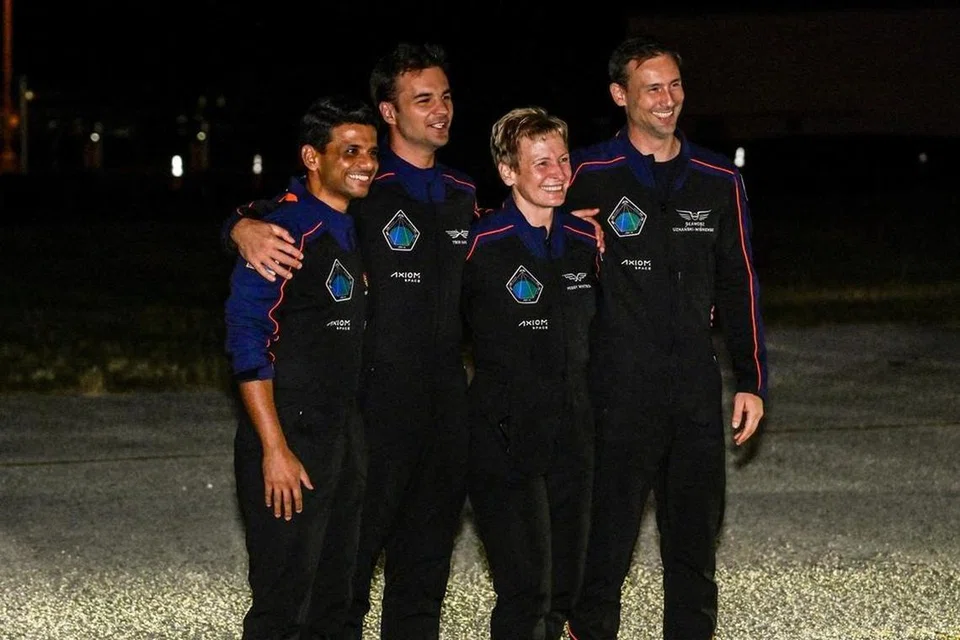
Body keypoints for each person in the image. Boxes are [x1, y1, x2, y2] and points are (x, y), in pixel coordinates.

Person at [223, 43, 479, 640]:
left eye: (445, 97)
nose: (440, 110)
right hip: (368, 409)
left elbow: (500, 249)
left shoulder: (462, 192)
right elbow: (270, 225)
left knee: (416, 570)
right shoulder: (360, 187)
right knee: (322, 585)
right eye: (423, 99)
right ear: (390, 111)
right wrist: (238, 227)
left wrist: (573, 227)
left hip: (435, 409)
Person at [563, 35, 768, 640]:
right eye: (651, 87)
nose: (667, 99)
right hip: (615, 390)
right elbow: (517, 240)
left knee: (694, 546)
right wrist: (561, 232)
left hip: (693, 391)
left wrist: (751, 378)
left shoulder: (717, 177)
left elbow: (740, 281)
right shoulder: (586, 173)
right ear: (619, 95)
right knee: (605, 544)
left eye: (674, 85)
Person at [223, 95, 379, 640]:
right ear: (313, 157)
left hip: (342, 435)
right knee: (283, 604)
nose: (365, 163)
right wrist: (274, 449)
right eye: (350, 151)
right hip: (290, 437)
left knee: (336, 599)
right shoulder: (282, 232)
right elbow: (247, 340)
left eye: (371, 152)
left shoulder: (350, 225)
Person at [462, 106, 599, 640]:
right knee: (526, 591)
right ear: (508, 172)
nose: (558, 173)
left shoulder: (585, 241)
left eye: (562, 160)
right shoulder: (481, 244)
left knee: (564, 588)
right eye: (540, 163)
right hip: (505, 436)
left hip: (572, 433)